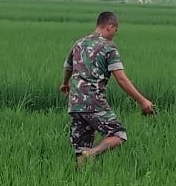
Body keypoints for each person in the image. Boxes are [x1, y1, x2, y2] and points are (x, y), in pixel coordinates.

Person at [59, 11, 154, 168]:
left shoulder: (79, 43)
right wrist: (142, 101)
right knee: (118, 134)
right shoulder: (108, 47)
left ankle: (81, 177)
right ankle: (91, 154)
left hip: (75, 103)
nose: (114, 35)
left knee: (81, 148)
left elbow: (68, 66)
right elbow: (121, 79)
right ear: (110, 27)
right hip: (93, 101)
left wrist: (65, 83)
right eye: (115, 31)